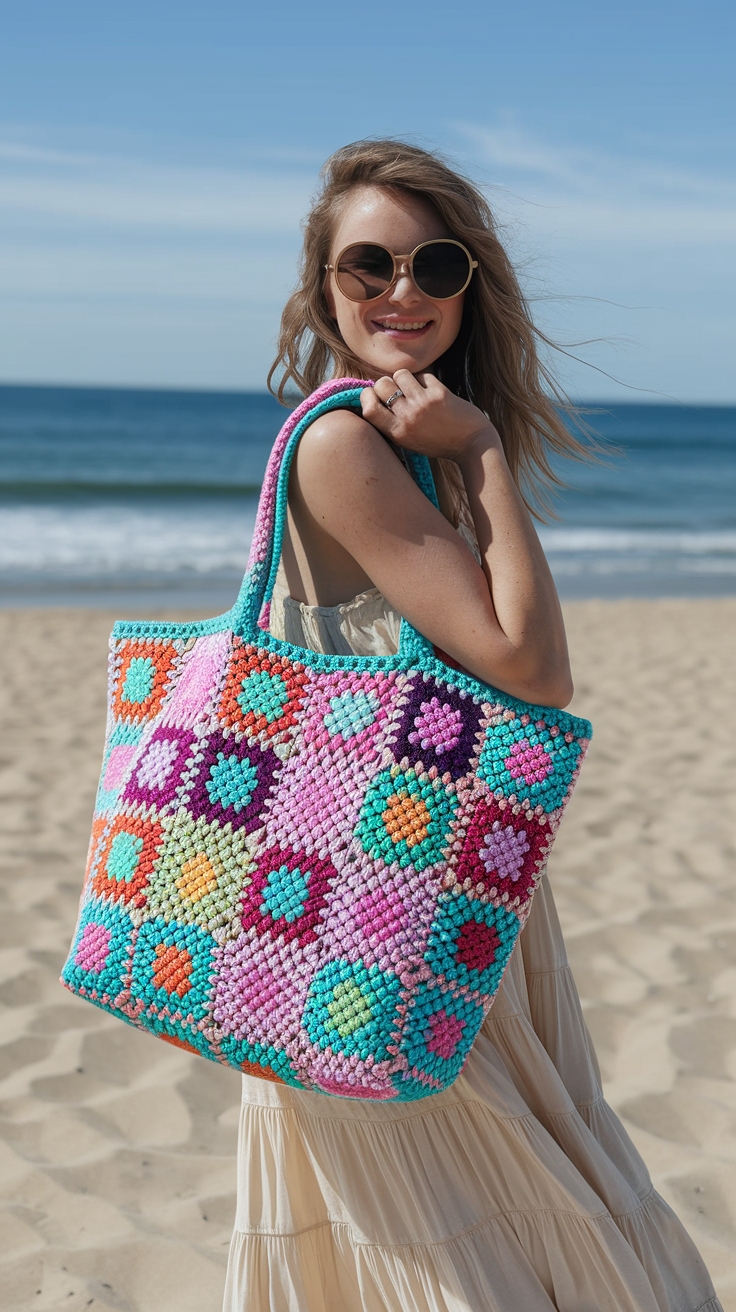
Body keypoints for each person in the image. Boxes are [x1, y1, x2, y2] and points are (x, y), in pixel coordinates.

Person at [223, 139, 721, 1312]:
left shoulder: (392, 442)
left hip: (398, 863)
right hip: (371, 892)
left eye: (433, 262)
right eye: (367, 265)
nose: (402, 288)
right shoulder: (347, 445)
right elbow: (531, 667)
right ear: (321, 287)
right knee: (480, 1216)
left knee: (461, 1205)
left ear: (468, 286)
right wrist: (488, 453)